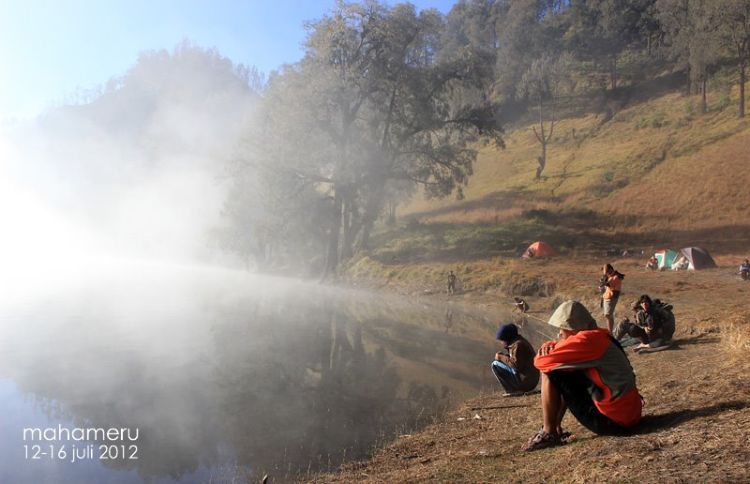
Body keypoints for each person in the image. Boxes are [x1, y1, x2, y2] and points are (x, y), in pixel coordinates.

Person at [523, 301, 642, 451]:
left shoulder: (586, 341)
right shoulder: (599, 335)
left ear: (571, 328)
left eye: (562, 329)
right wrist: (551, 345)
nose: (559, 334)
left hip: (613, 422)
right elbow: (558, 348)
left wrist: (548, 347)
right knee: (568, 369)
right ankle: (555, 427)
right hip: (629, 415)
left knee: (551, 371)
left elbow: (540, 362)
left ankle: (548, 431)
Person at [491, 323, 539, 395]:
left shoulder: (518, 345)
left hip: (527, 382)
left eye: (502, 340)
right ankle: (515, 389)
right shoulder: (518, 342)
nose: (501, 342)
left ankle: (512, 390)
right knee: (500, 362)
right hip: (530, 381)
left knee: (495, 364)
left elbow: (516, 365)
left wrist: (501, 357)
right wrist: (505, 356)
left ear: (507, 338)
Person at [600, 264, 624, 333]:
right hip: (607, 296)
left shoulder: (616, 277)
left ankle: (610, 332)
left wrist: (603, 281)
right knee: (607, 315)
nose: (605, 274)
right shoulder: (610, 276)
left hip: (611, 297)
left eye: (606, 272)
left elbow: (608, 283)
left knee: (608, 315)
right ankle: (609, 331)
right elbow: (604, 284)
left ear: (610, 270)